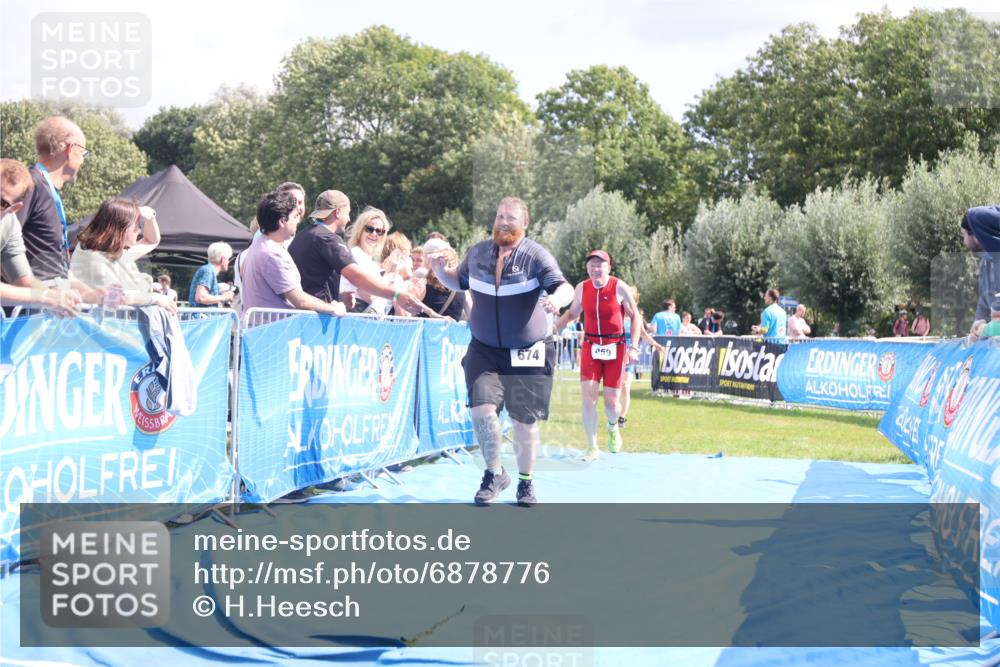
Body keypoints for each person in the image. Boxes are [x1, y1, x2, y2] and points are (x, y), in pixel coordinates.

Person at [428, 197, 573, 507]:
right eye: (500, 216)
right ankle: (494, 474)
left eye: (511, 218)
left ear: (525, 223)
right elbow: (459, 280)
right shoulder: (478, 252)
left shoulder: (535, 255)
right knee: (481, 409)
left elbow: (564, 286)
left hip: (529, 349)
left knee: (524, 421)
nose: (504, 222)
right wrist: (440, 271)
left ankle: (525, 482)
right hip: (484, 348)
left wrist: (557, 301)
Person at [553, 249, 641, 460]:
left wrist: (634, 346)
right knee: (588, 398)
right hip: (591, 347)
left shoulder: (620, 287)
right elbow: (573, 314)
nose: (595, 268)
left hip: (616, 348)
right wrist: (552, 330)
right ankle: (592, 446)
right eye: (591, 265)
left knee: (611, 403)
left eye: (599, 265)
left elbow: (635, 317)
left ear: (608, 268)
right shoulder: (582, 288)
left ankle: (613, 426)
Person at [288, 190, 423, 314]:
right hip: (317, 318)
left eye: (380, 231)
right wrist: (396, 295)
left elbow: (310, 281)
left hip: (301, 314)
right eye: (348, 213)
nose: (348, 219)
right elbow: (356, 277)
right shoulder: (328, 238)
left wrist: (339, 297)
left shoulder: (302, 235)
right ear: (338, 212)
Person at [239, 191, 346, 316]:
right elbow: (300, 301)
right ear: (282, 221)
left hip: (264, 330)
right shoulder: (273, 254)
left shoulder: (258, 245)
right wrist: (332, 308)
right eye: (295, 216)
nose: (297, 221)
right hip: (275, 331)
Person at [1, 159, 80, 316]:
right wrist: (45, 298)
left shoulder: (9, 226)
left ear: (14, 209)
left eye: (1, 202)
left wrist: (58, 298)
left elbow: (23, 281)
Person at [16, 116, 88, 283]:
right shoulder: (31, 184)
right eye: (83, 153)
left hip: (52, 299)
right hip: (32, 305)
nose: (83, 161)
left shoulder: (46, 188)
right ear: (70, 149)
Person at [70, 198, 175, 312]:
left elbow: (151, 241)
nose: (139, 230)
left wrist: (150, 218)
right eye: (137, 225)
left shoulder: (112, 253)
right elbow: (115, 298)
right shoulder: (94, 258)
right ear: (121, 227)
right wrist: (153, 298)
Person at [616, 285, 664, 432]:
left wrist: (657, 345)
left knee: (625, 386)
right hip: (615, 353)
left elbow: (643, 334)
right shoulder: (617, 313)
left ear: (635, 301)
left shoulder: (636, 317)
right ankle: (613, 414)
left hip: (629, 355)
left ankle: (622, 417)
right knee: (615, 388)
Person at [338, 207, 397, 314]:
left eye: (379, 231)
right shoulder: (356, 254)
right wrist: (388, 275)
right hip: (357, 314)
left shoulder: (369, 260)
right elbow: (366, 292)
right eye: (369, 229)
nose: (374, 234)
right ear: (360, 230)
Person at [961, 206, 1000, 341]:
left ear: (977, 235)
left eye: (964, 235)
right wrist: (977, 324)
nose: (964, 242)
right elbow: (984, 304)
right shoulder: (986, 262)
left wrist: (985, 330)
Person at [420, 246, 465, 321]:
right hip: (452, 332)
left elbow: (409, 309)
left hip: (426, 331)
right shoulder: (462, 289)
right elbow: (471, 315)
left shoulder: (423, 285)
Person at [189, 242, 234, 307]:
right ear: (223, 259)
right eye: (228, 259)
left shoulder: (208, 270)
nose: (228, 262)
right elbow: (201, 297)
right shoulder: (208, 271)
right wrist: (224, 297)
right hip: (202, 316)